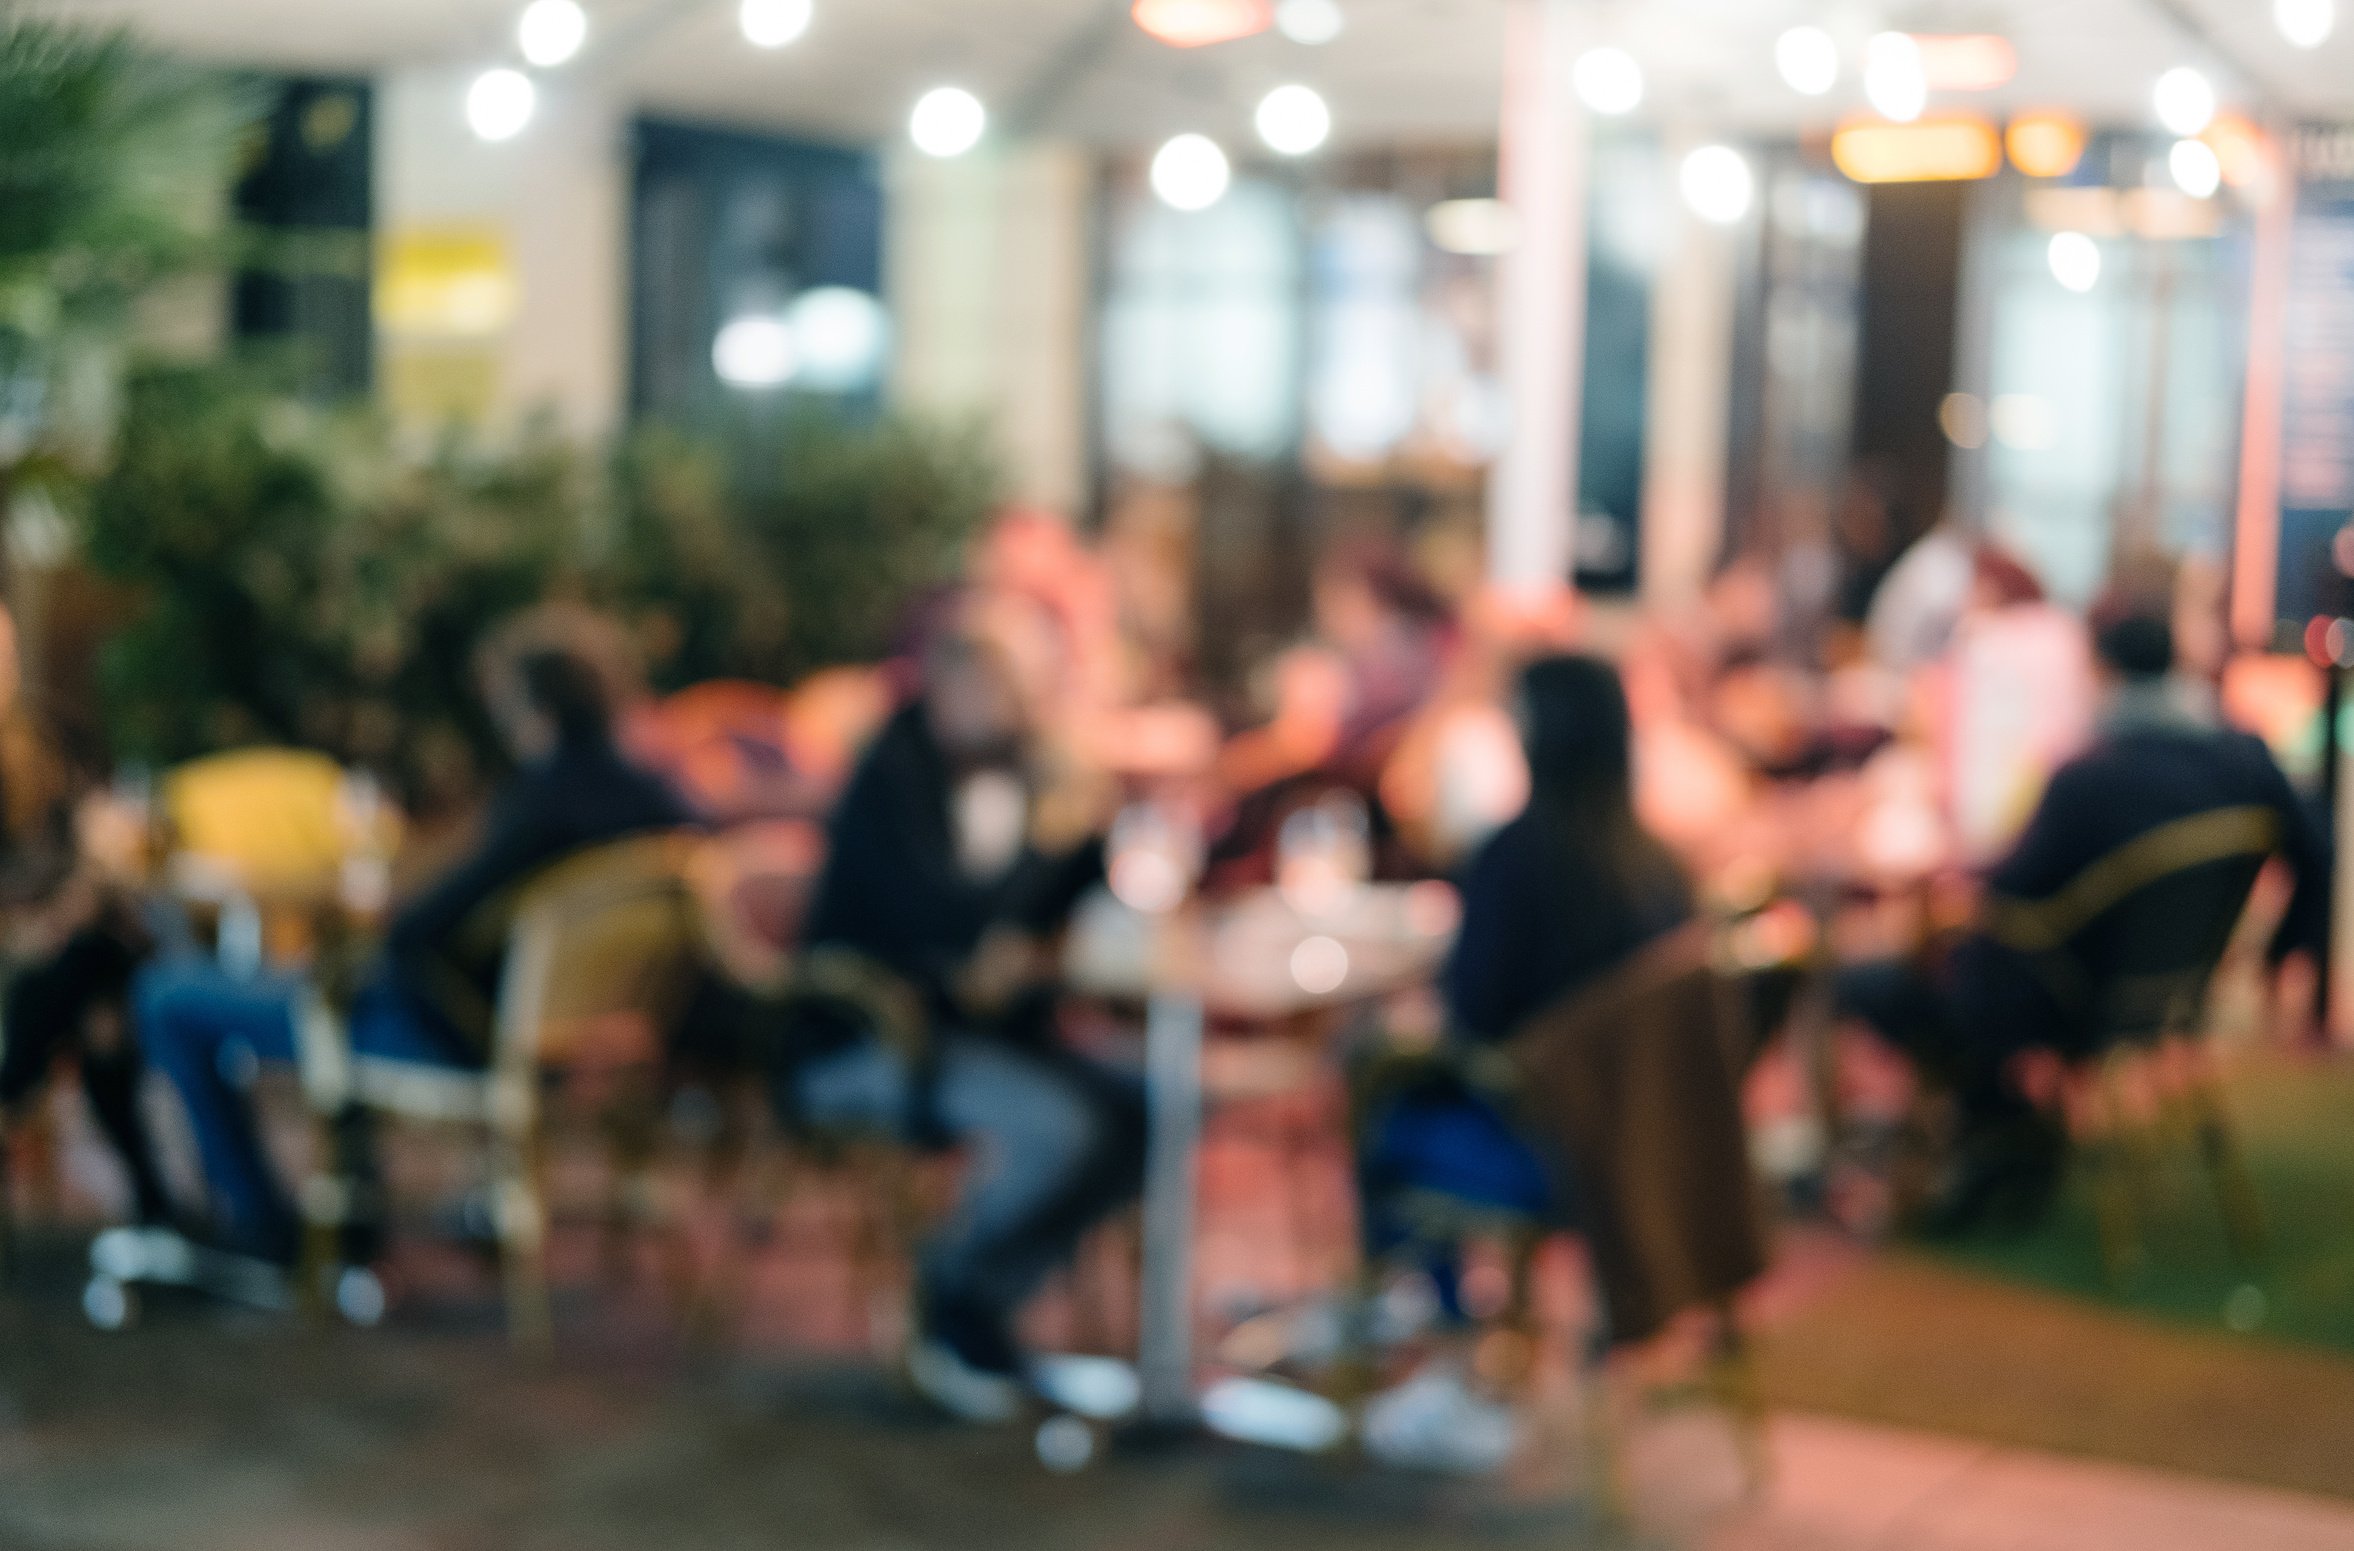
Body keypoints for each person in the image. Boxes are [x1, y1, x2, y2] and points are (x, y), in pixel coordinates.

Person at [136, 611, 694, 1269]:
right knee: (339, 987)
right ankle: (348, 1217)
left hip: (466, 1035)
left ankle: (261, 1230)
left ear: (526, 705)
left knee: (168, 994)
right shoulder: (663, 806)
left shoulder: (542, 805)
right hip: (587, 1040)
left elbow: (412, 932)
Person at [1839, 601, 2331, 1230]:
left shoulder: (2091, 776)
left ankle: (1984, 1147)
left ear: (2101, 670)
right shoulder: (2245, 758)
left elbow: (2010, 893)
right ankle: (2007, 1140)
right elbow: (2318, 852)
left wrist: (1957, 874)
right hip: (2175, 994)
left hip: (2070, 1000)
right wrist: (2279, 952)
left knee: (1893, 978)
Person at [775, 595, 1143, 1423]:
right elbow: (949, 920)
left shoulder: (1030, 772)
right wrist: (1052, 854)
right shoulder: (893, 778)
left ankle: (982, 1296)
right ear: (938, 689)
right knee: (1063, 1128)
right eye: (976, 689)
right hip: (870, 1035)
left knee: (1146, 1110)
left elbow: (1047, 912)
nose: (992, 708)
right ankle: (950, 1295)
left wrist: (1086, 845)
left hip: (980, 1028)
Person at [1357, 654, 1695, 1472]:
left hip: (1550, 1151)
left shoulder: (1519, 854)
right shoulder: (1661, 864)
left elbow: (1470, 1015)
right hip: (1646, 1149)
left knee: (1381, 1110)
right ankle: (1458, 1331)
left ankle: (1447, 1341)